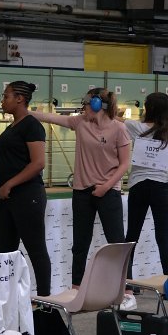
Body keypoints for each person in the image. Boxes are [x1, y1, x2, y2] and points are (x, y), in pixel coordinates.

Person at [32, 87, 131, 288]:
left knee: (117, 242)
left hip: (108, 191)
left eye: (86, 104)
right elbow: (52, 118)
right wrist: (26, 112)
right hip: (82, 192)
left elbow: (124, 164)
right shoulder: (81, 122)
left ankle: (126, 289)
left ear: (97, 104)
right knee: (80, 245)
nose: (83, 108)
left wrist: (106, 186)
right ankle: (77, 287)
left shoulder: (119, 129)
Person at [0, 81, 51, 297]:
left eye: (6, 96)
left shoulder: (32, 126)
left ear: (19, 99)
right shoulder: (11, 128)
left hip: (27, 197)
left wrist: (10, 184)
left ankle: (46, 302)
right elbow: (2, 166)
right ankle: (5, 300)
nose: (2, 101)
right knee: (5, 252)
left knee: (36, 249)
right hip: (4, 198)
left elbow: (38, 163)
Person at [122, 92, 168, 309]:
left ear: (148, 108)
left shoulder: (135, 127)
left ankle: (127, 283)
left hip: (139, 185)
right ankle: (167, 283)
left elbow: (116, 121)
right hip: (162, 186)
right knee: (164, 235)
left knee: (132, 235)